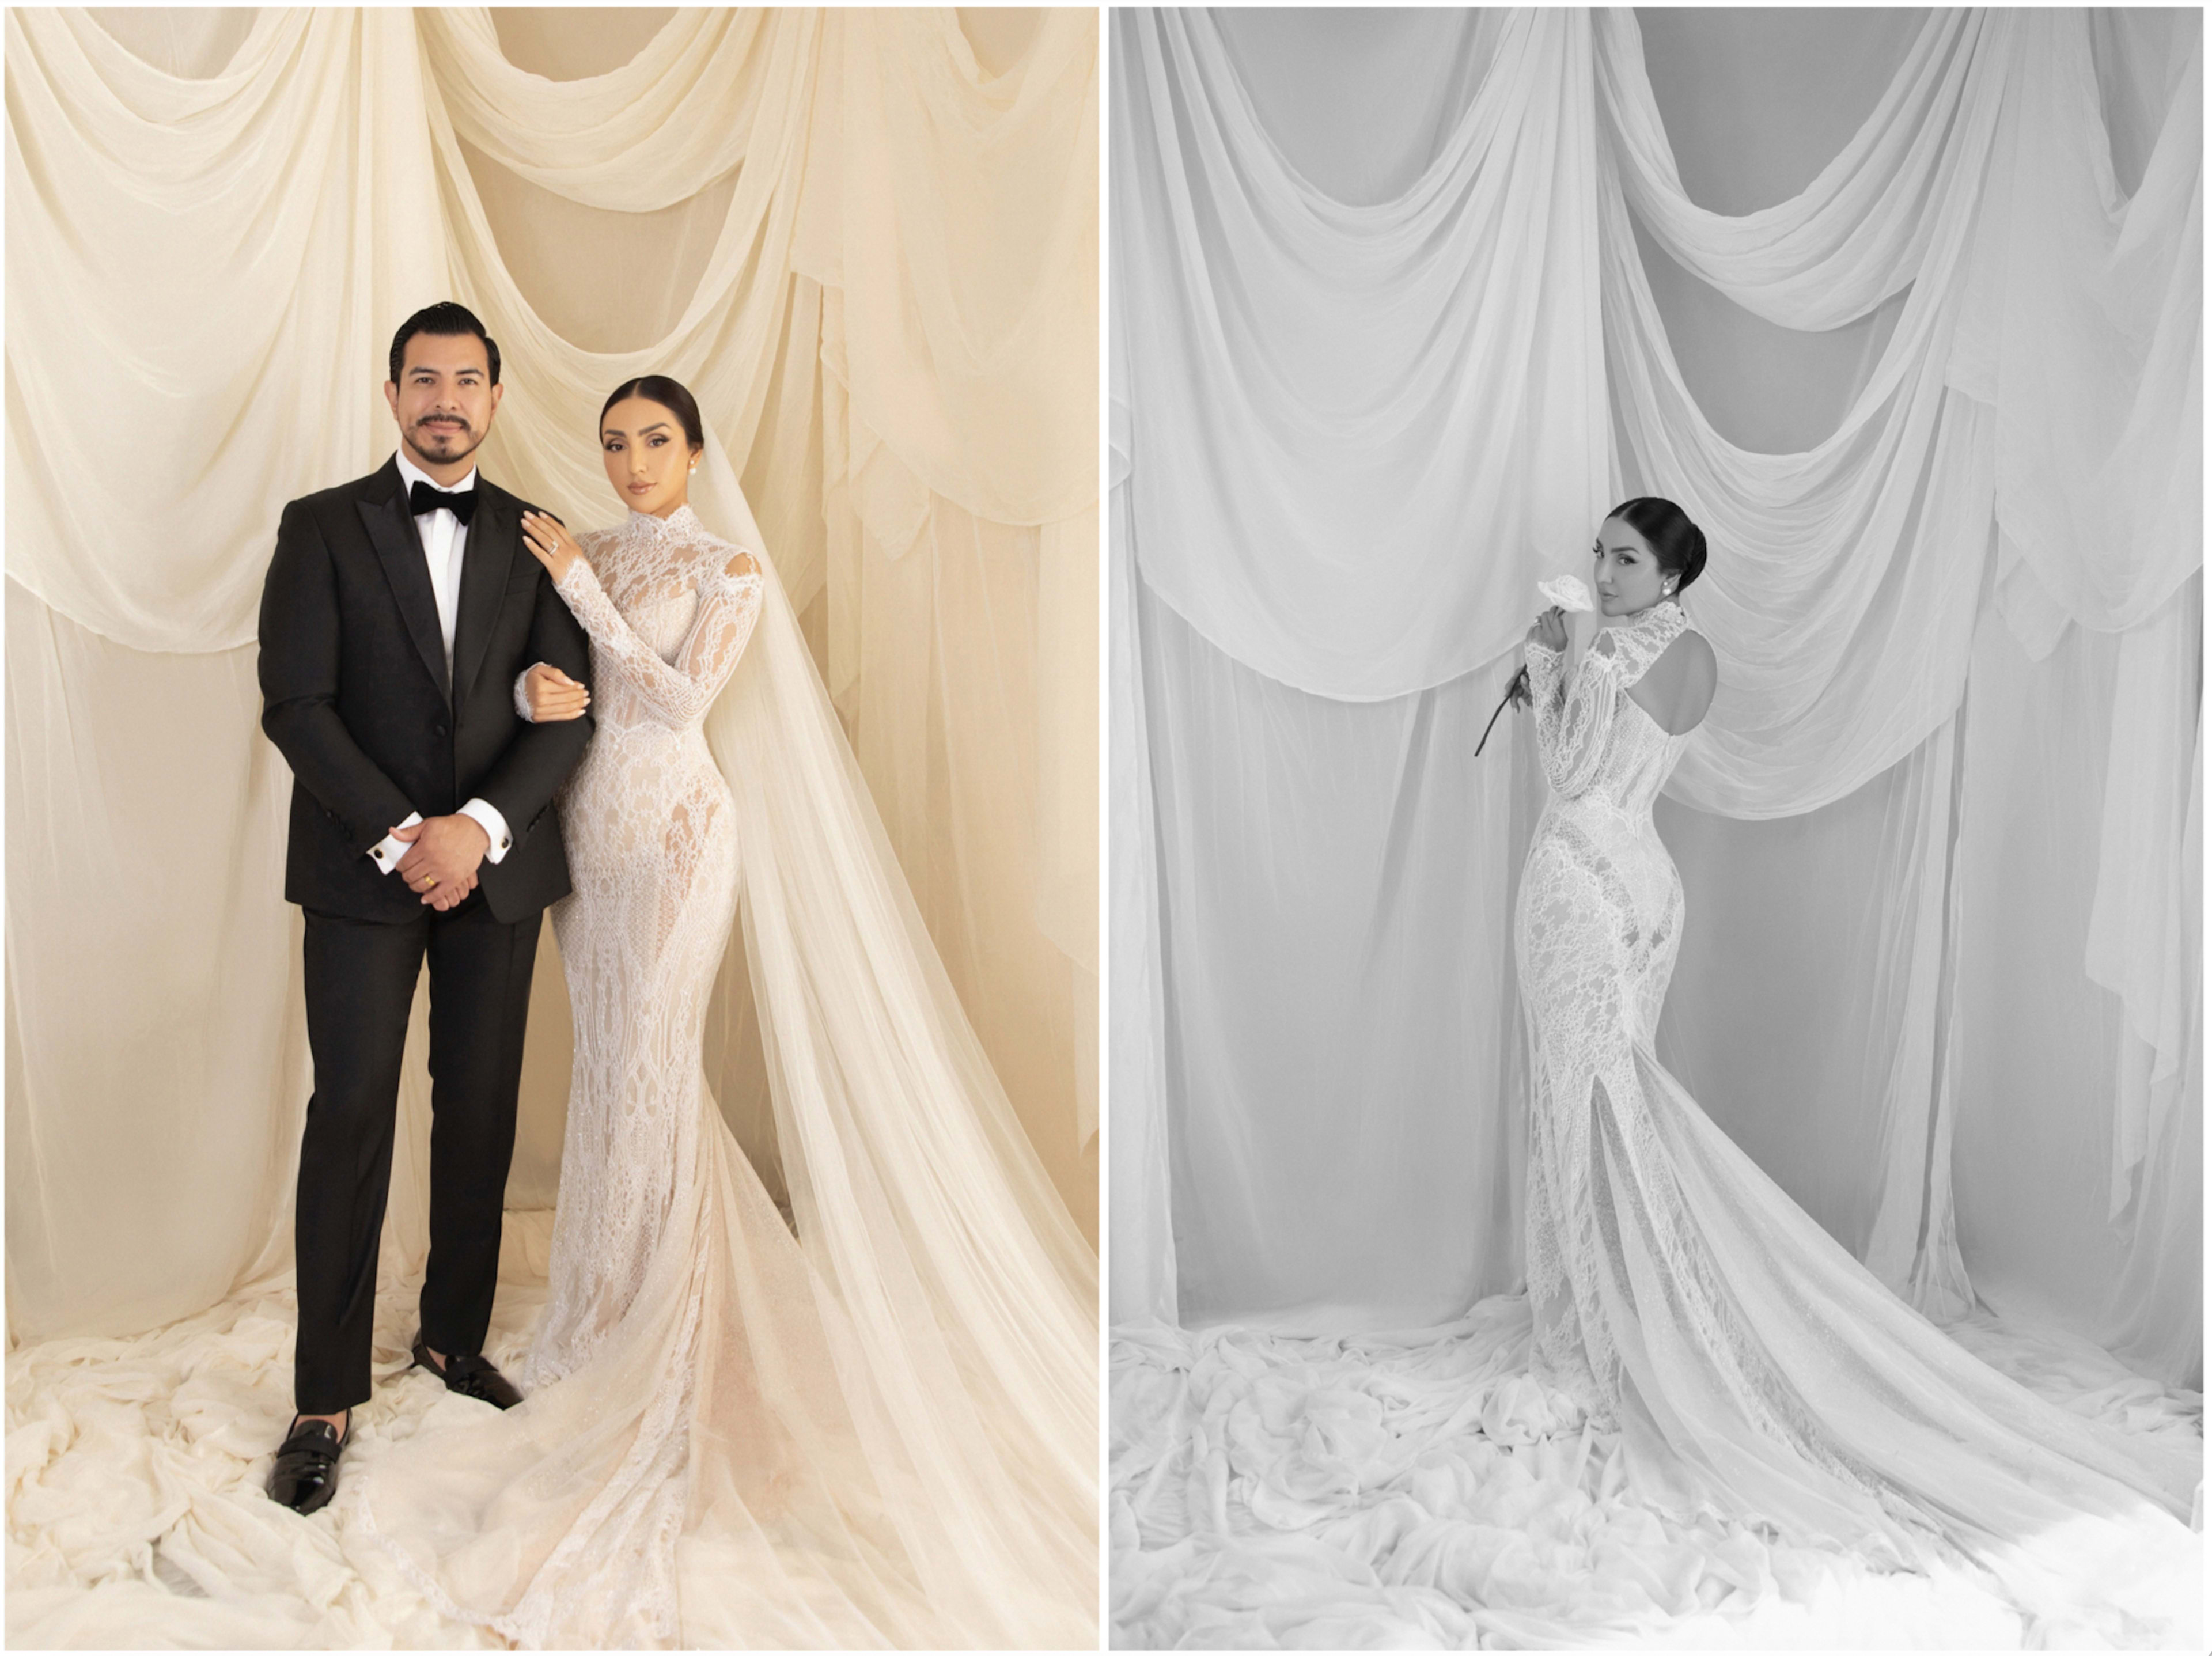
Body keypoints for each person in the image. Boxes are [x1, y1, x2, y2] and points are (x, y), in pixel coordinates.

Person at [353, 376, 1098, 1648]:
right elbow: (559, 687)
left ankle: (663, 1320)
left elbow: (676, 701)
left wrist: (585, 594)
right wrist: (543, 685)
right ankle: (601, 1304)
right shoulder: (576, 550)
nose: (633, 461)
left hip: (684, 836)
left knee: (651, 1066)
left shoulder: (725, 565)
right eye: (615, 443)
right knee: (610, 1076)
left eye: (655, 441)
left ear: (695, 451)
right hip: (592, 838)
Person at [1512, 496, 2197, 1633]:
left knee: (1594, 1104)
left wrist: (1572, 657)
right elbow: (1567, 752)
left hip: (1592, 884)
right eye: (1600, 555)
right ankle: (1604, 1306)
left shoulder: (1665, 653)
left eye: (1626, 557)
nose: (1604, 570)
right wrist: (1553, 669)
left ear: (1675, 573)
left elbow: (1579, 771)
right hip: (1625, 887)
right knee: (1594, 1103)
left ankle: (1607, 1332)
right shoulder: (1642, 649)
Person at [256, 302, 594, 1516]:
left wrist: (481, 832)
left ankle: (452, 1336)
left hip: (495, 871)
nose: (444, 398)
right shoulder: (320, 528)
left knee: (482, 1105)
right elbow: (296, 704)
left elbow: (572, 709)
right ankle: (323, 1394)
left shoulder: (541, 539)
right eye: (423, 379)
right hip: (363, 873)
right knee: (350, 1110)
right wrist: (408, 838)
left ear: (496, 399)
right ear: (392, 393)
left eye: (466, 380)